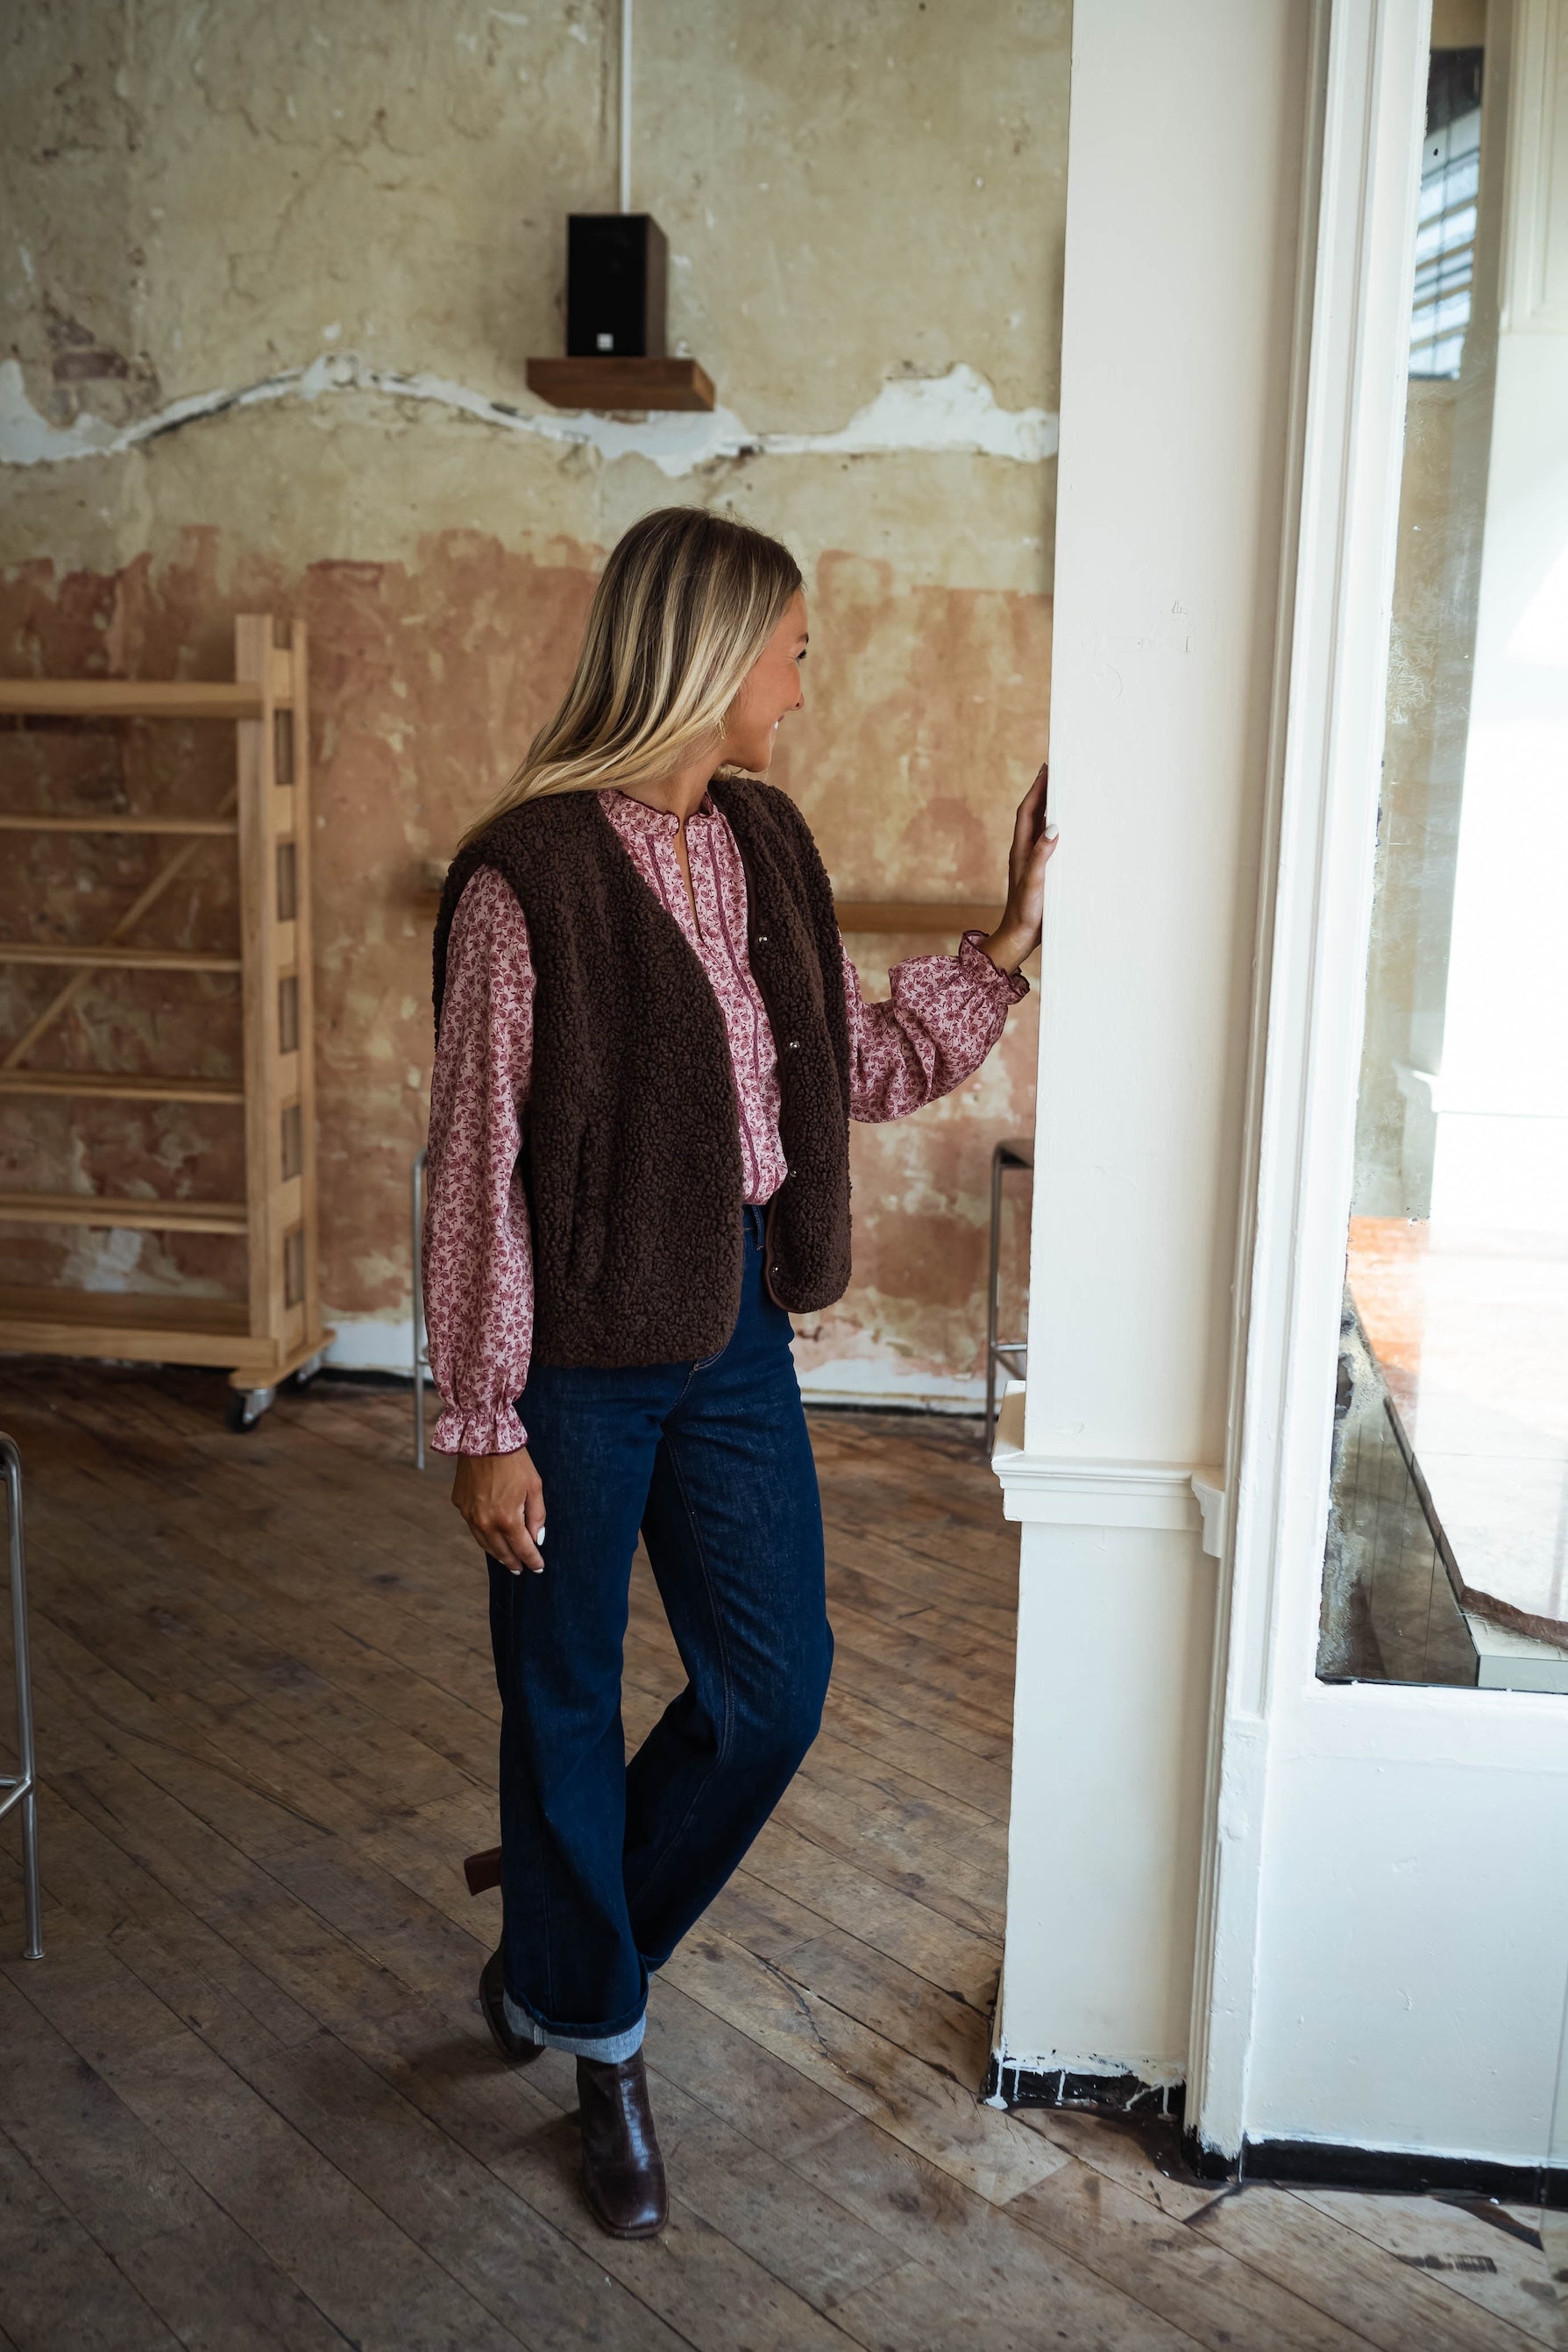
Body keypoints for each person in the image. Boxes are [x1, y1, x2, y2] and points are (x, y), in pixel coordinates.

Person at [422, 505, 1055, 2240]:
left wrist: (1006, 942)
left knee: (771, 1691)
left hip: (732, 1344)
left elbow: (837, 1056)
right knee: (557, 1698)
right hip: (568, 1369)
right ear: (707, 654)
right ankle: (604, 2037)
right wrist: (482, 1423)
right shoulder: (521, 877)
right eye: (790, 637)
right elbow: (476, 1157)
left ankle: (561, 1945)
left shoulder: (768, 837)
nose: (806, 666)